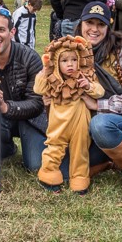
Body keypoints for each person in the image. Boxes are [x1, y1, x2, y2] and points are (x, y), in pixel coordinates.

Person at [75, 1, 122, 196]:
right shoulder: (71, 52)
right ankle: (108, 161)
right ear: (80, 24)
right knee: (67, 171)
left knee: (101, 124)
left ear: (109, 27)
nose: (94, 29)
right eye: (89, 22)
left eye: (100, 24)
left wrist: (98, 105)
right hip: (81, 126)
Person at [0, 7, 47, 172]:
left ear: (12, 32)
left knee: (35, 165)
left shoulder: (30, 57)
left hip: (30, 118)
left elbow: (37, 103)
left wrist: (6, 107)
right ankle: (7, 147)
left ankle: (30, 144)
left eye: (1, 30)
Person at [34, 36, 104, 194]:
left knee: (81, 150)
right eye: (64, 61)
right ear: (56, 63)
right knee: (54, 148)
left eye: (74, 59)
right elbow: (38, 89)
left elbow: (100, 92)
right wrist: (44, 71)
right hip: (58, 123)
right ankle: (48, 175)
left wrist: (89, 86)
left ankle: (79, 179)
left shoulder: (85, 76)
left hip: (80, 122)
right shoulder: (52, 79)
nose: (70, 64)